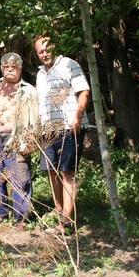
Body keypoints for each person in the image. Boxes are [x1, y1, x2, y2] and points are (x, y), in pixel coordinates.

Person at [34, 36, 91, 234]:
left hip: (69, 126)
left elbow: (84, 91)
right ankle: (59, 212)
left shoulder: (68, 64)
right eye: (41, 51)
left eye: (47, 49)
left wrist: (78, 116)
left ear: (54, 48)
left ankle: (67, 222)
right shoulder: (40, 74)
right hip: (48, 130)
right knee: (51, 170)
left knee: (68, 171)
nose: (45, 54)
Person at [0, 52, 38, 228]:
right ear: (1, 68)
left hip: (16, 138)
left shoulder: (27, 90)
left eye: (14, 66)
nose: (10, 69)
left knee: (19, 177)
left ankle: (21, 218)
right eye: (6, 66)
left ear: (20, 69)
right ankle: (0, 212)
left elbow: (34, 118)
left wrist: (31, 140)